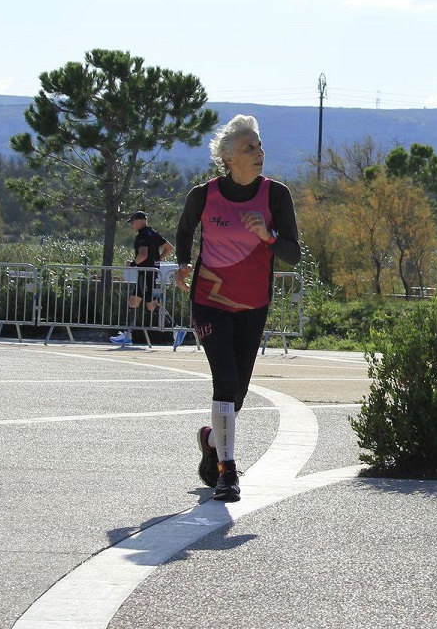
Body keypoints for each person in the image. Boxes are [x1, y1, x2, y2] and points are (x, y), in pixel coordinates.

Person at [175, 114, 300, 502]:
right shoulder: (204, 194)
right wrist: (182, 262)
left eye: (260, 145)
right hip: (209, 301)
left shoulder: (276, 195)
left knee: (239, 391)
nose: (259, 152)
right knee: (225, 381)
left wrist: (268, 235)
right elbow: (184, 228)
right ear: (228, 158)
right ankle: (228, 473)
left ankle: (212, 440)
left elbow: (293, 254)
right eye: (250, 147)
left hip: (253, 305)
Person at [111, 212, 173, 347]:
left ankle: (176, 328)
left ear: (139, 221)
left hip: (145, 273)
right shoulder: (153, 233)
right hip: (149, 273)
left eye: (132, 222)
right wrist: (159, 258)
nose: (131, 225)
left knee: (139, 302)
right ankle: (128, 334)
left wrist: (132, 264)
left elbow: (143, 254)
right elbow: (169, 248)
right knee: (148, 304)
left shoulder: (142, 235)